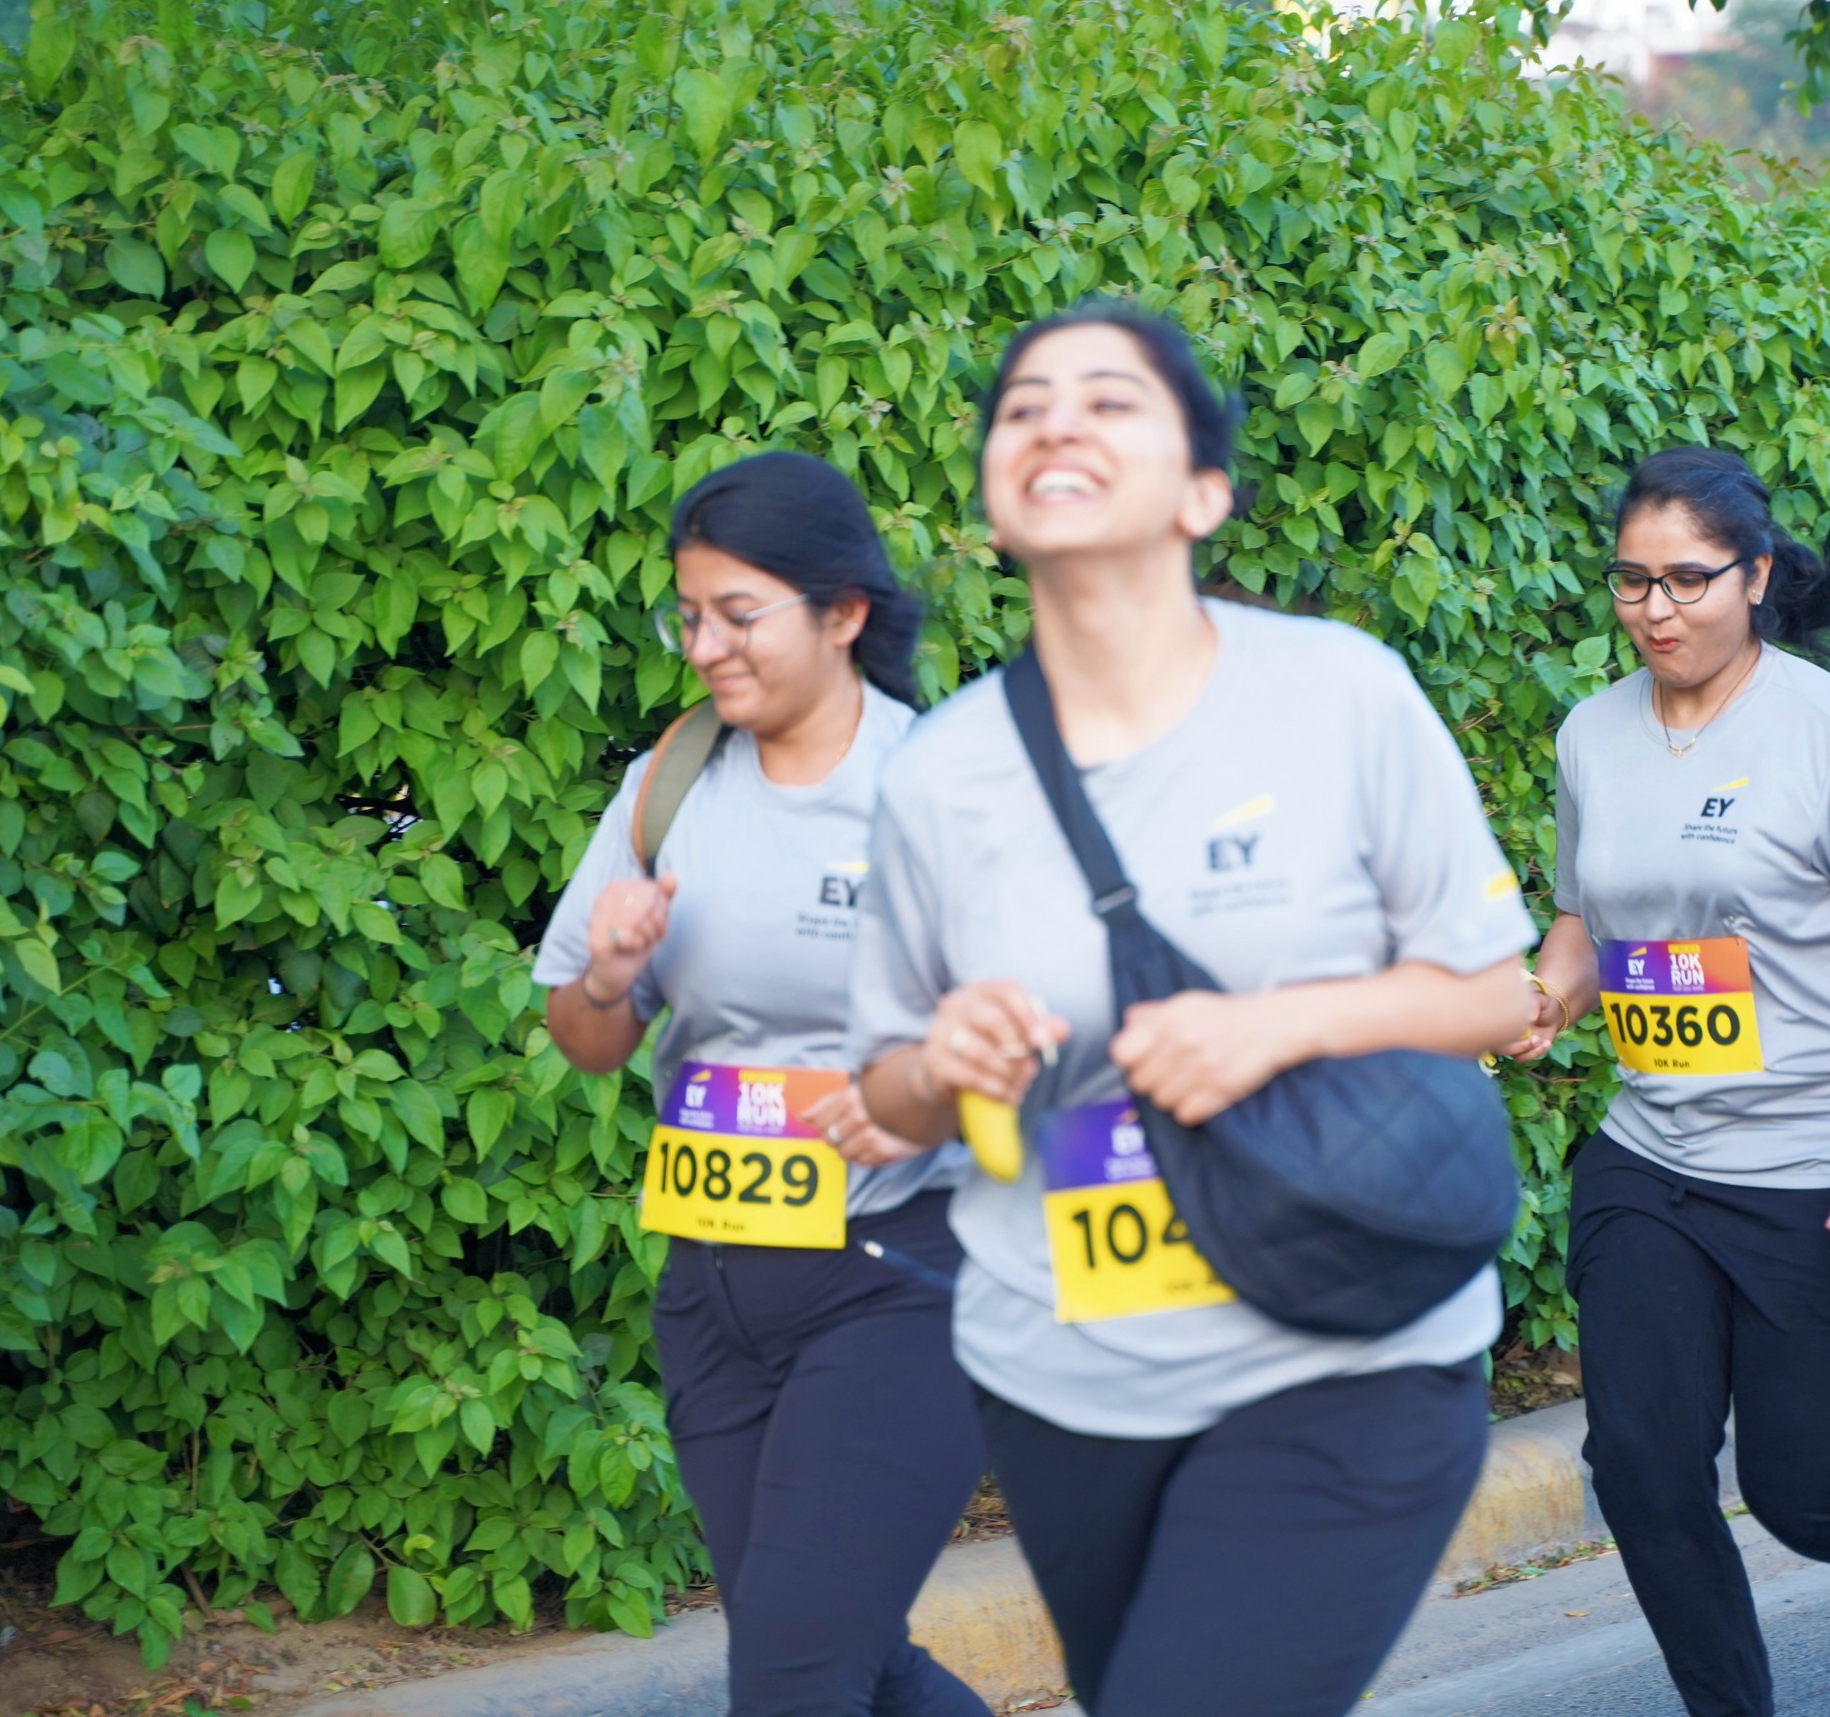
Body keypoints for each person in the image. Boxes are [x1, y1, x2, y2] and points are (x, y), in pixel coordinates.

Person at [847, 299, 1538, 1717]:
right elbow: (885, 1094)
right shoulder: (941, 772)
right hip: (1062, 1375)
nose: (1056, 421)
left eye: (1110, 400)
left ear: (1203, 493)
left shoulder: (1340, 695)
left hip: (1345, 1353)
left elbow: (1491, 992)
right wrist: (944, 1061)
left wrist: (1276, 1027)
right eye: (1024, 406)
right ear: (994, 501)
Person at [1509, 446, 1830, 1717]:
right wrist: (1548, 996)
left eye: (1687, 579)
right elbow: (1584, 919)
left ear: (1757, 576)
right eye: (1633, 580)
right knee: (1640, 1467)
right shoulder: (1591, 733)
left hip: (1824, 1167)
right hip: (1656, 1158)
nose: (1656, 608)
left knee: (1806, 1488)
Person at [535, 451, 988, 1717]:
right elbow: (587, 1038)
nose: (705, 648)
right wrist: (611, 974)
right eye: (688, 616)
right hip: (715, 1287)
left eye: (738, 615)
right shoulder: (671, 782)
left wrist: (914, 1086)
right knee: (853, 1663)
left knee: (794, 1677)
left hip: (905, 1281)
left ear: (842, 612)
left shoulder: (941, 792)